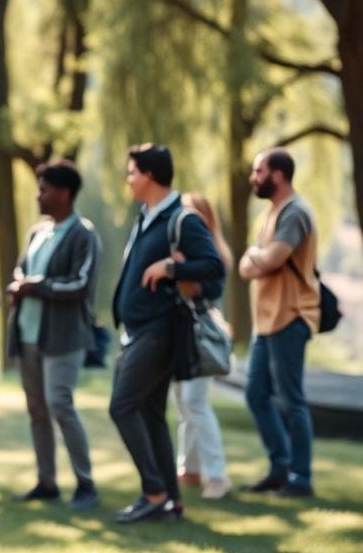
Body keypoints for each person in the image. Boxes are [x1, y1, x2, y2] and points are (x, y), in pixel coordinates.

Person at [109, 144, 225, 523]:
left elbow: (213, 268)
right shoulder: (147, 216)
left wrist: (171, 269)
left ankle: (154, 491)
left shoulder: (183, 218)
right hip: (140, 329)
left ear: (149, 175)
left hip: (161, 330)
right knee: (150, 412)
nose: (128, 179)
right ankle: (172, 502)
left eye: (131, 172)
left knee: (123, 405)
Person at [6, 160, 102, 511]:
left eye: (43, 189)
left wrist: (37, 286)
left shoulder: (84, 234)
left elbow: (80, 284)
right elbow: (21, 268)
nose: (38, 195)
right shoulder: (37, 232)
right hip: (29, 335)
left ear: (63, 193)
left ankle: (85, 483)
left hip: (63, 337)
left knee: (60, 404)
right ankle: (46, 481)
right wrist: (21, 282)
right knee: (37, 410)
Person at [239, 148, 320, 497]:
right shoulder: (270, 214)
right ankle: (280, 468)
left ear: (278, 175)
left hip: (290, 316)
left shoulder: (295, 212)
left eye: (259, 171)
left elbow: (271, 258)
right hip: (266, 321)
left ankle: (300, 478)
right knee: (256, 394)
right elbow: (244, 268)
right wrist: (258, 258)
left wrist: (256, 255)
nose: (253, 178)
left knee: (291, 400)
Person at [171, 193, 234, 500]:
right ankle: (190, 469)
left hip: (201, 335)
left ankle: (217, 476)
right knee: (183, 402)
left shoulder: (214, 260)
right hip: (178, 334)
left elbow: (201, 292)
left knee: (195, 401)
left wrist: (180, 269)